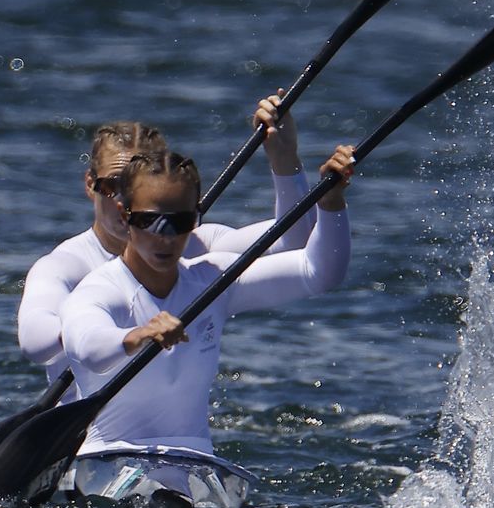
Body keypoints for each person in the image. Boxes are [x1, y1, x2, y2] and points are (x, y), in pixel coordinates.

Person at [57, 144, 354, 508]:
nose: (165, 237)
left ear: (196, 218)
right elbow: (85, 344)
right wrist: (136, 336)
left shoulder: (212, 280)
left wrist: (331, 205)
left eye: (180, 222)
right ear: (123, 214)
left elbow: (320, 272)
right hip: (105, 472)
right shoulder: (101, 289)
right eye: (151, 221)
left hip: (196, 472)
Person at [16, 91, 315, 396]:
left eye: (137, 187)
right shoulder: (66, 264)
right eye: (113, 186)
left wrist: (284, 157)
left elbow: (295, 239)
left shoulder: (199, 247)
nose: (124, 199)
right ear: (90, 185)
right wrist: (111, 333)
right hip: (87, 431)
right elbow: (34, 342)